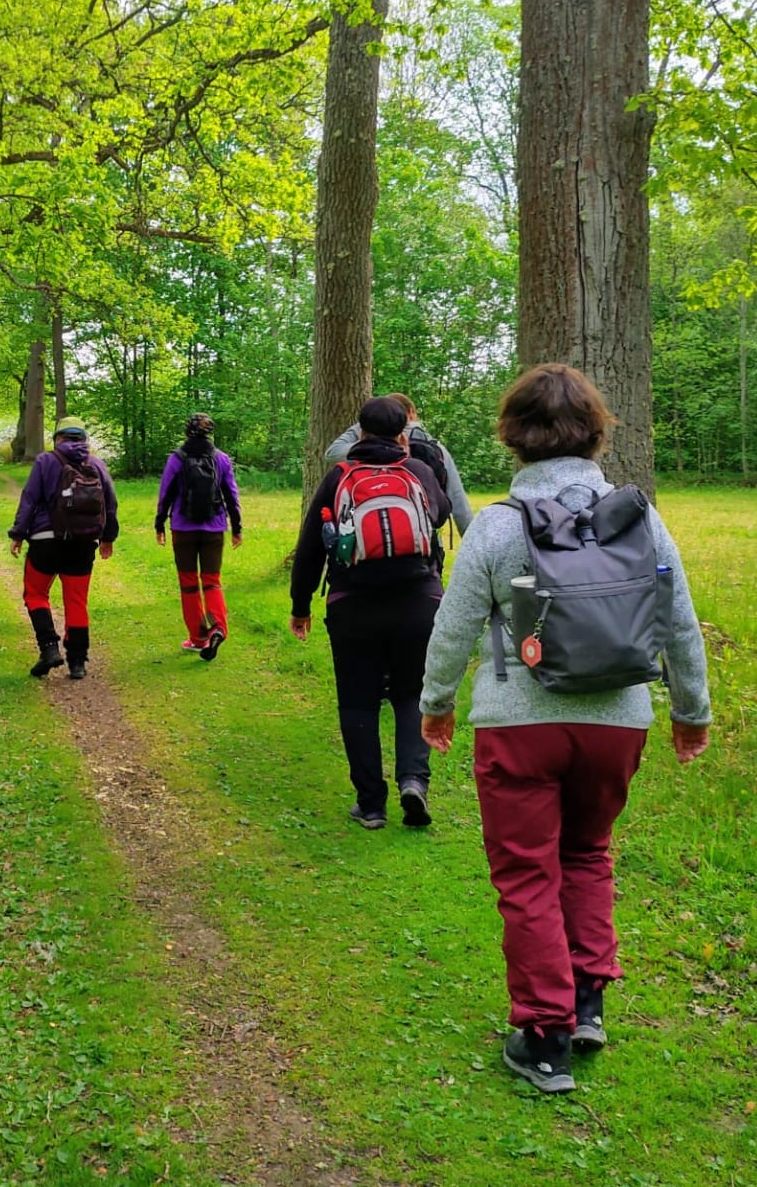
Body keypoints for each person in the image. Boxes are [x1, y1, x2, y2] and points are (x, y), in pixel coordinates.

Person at [417, 363, 712, 1095]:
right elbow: (677, 622)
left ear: (513, 436)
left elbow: (454, 628)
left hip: (519, 724)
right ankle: (586, 1006)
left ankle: (542, 1037)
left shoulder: (496, 525)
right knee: (588, 854)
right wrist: (690, 710)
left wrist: (436, 700)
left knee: (526, 873)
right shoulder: (639, 518)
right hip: (618, 723)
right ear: (596, 433)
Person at [289, 396, 449, 830]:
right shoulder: (416, 470)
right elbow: (441, 512)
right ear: (403, 434)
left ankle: (371, 804)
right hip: (419, 601)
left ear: (359, 432)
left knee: (358, 702)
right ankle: (414, 781)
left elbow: (309, 548)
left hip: (353, 605)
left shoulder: (340, 475)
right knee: (411, 693)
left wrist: (300, 606)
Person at [8, 422, 119, 681]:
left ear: (58, 438)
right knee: (76, 601)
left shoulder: (46, 461)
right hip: (83, 543)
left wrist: (18, 534)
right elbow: (110, 502)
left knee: (35, 593)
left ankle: (49, 649)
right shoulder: (97, 464)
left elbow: (30, 498)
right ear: (83, 439)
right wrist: (108, 537)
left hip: (45, 541)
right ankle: (77, 662)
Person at [153, 413, 244, 660]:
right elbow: (231, 496)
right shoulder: (222, 459)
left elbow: (166, 494)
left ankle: (198, 637)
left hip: (183, 529)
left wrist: (159, 524)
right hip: (214, 528)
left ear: (187, 431)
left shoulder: (176, 459)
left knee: (189, 583)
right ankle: (217, 628)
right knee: (212, 581)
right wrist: (236, 528)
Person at [325, 394, 474, 535]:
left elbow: (332, 453)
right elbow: (459, 505)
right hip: (422, 541)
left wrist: (365, 424)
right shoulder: (437, 450)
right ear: (411, 412)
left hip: (369, 534)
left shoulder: (365, 449)